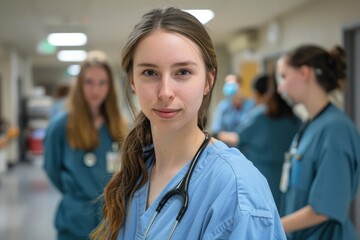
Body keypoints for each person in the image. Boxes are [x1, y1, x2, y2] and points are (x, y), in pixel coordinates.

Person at [91, 7, 286, 240]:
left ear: (208, 81)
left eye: (182, 72)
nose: (165, 92)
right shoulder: (138, 171)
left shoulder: (236, 190)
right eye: (150, 73)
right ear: (133, 81)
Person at [277, 44, 360, 240]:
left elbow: (324, 208)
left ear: (304, 73)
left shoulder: (335, 129)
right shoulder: (311, 124)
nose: (281, 87)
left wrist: (272, 226)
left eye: (284, 76)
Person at [43, 50, 128, 240]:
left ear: (110, 87)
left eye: (102, 83)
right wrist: (75, 195)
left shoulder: (120, 127)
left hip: (111, 219)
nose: (95, 90)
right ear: (80, 84)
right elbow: (52, 169)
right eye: (89, 82)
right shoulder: (61, 126)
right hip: (75, 221)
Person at [235, 74, 301, 209]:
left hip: (260, 177)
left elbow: (239, 139)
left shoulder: (260, 116)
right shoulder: (296, 120)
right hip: (287, 180)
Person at [211, 74, 255, 143]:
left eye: (231, 84)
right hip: (228, 149)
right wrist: (235, 138)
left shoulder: (251, 105)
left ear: (240, 86)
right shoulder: (223, 107)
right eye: (227, 84)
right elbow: (216, 131)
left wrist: (240, 138)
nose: (229, 87)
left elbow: (255, 130)